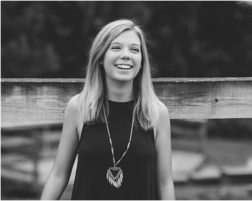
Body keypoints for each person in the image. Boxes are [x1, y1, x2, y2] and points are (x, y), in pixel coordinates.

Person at [41, 19, 175, 200]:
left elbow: (164, 183)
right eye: (116, 47)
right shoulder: (78, 107)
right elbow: (59, 175)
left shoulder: (156, 113)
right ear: (100, 57)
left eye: (134, 50)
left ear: (142, 62)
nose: (126, 55)